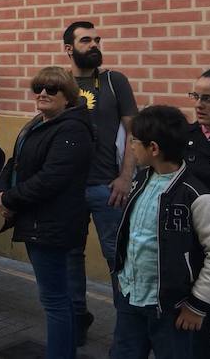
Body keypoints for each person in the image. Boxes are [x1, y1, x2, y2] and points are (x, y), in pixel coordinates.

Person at [0, 67, 93, 359]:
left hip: (53, 223)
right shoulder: (38, 123)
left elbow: (51, 179)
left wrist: (9, 199)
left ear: (68, 96)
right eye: (39, 88)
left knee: (55, 300)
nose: (43, 94)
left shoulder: (72, 129)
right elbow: (14, 162)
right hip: (37, 220)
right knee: (58, 298)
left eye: (52, 89)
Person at [113, 105, 210, 358]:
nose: (130, 146)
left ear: (153, 148)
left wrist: (197, 305)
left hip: (174, 310)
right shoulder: (140, 180)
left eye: (134, 141)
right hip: (131, 298)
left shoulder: (197, 197)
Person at [63, 21, 139, 345]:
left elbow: (134, 132)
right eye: (85, 40)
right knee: (70, 257)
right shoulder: (59, 83)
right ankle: (76, 319)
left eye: (96, 39)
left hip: (108, 188)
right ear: (69, 49)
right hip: (68, 189)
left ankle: (127, 330)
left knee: (117, 258)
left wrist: (125, 177)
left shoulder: (113, 81)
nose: (94, 44)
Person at [184, 66, 210, 358]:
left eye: (207, 98)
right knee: (193, 340)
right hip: (191, 254)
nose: (199, 104)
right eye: (195, 96)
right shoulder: (185, 137)